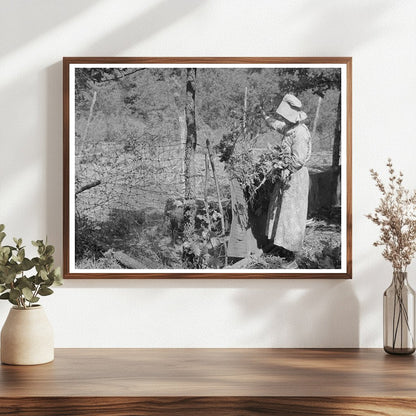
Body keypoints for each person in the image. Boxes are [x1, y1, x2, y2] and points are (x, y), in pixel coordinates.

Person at [260, 94, 311, 268]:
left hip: (295, 178)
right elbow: (277, 125)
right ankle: (282, 247)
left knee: (292, 215)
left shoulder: (300, 133)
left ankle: (292, 253)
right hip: (286, 176)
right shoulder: (290, 128)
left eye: (285, 116)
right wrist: (265, 116)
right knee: (282, 211)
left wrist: (285, 168)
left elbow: (298, 159)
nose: (283, 119)